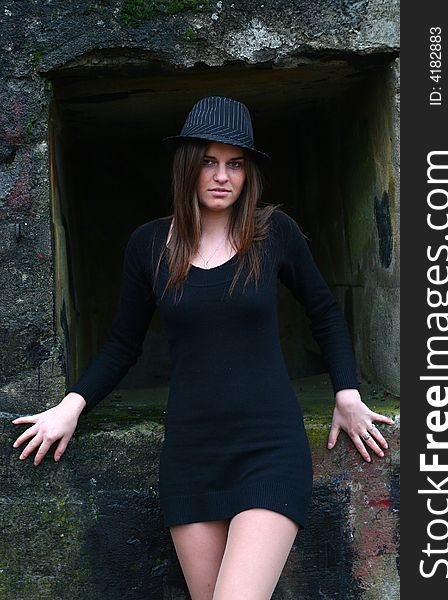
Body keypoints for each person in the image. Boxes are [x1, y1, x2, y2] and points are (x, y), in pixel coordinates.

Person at [12, 96, 394, 600]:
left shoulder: (273, 233)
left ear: (248, 173)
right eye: (209, 162)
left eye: (235, 164)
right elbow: (124, 343)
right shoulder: (148, 245)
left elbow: (324, 311)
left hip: (268, 450)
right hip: (191, 456)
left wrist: (347, 393)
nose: (222, 176)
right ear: (187, 167)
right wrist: (71, 405)